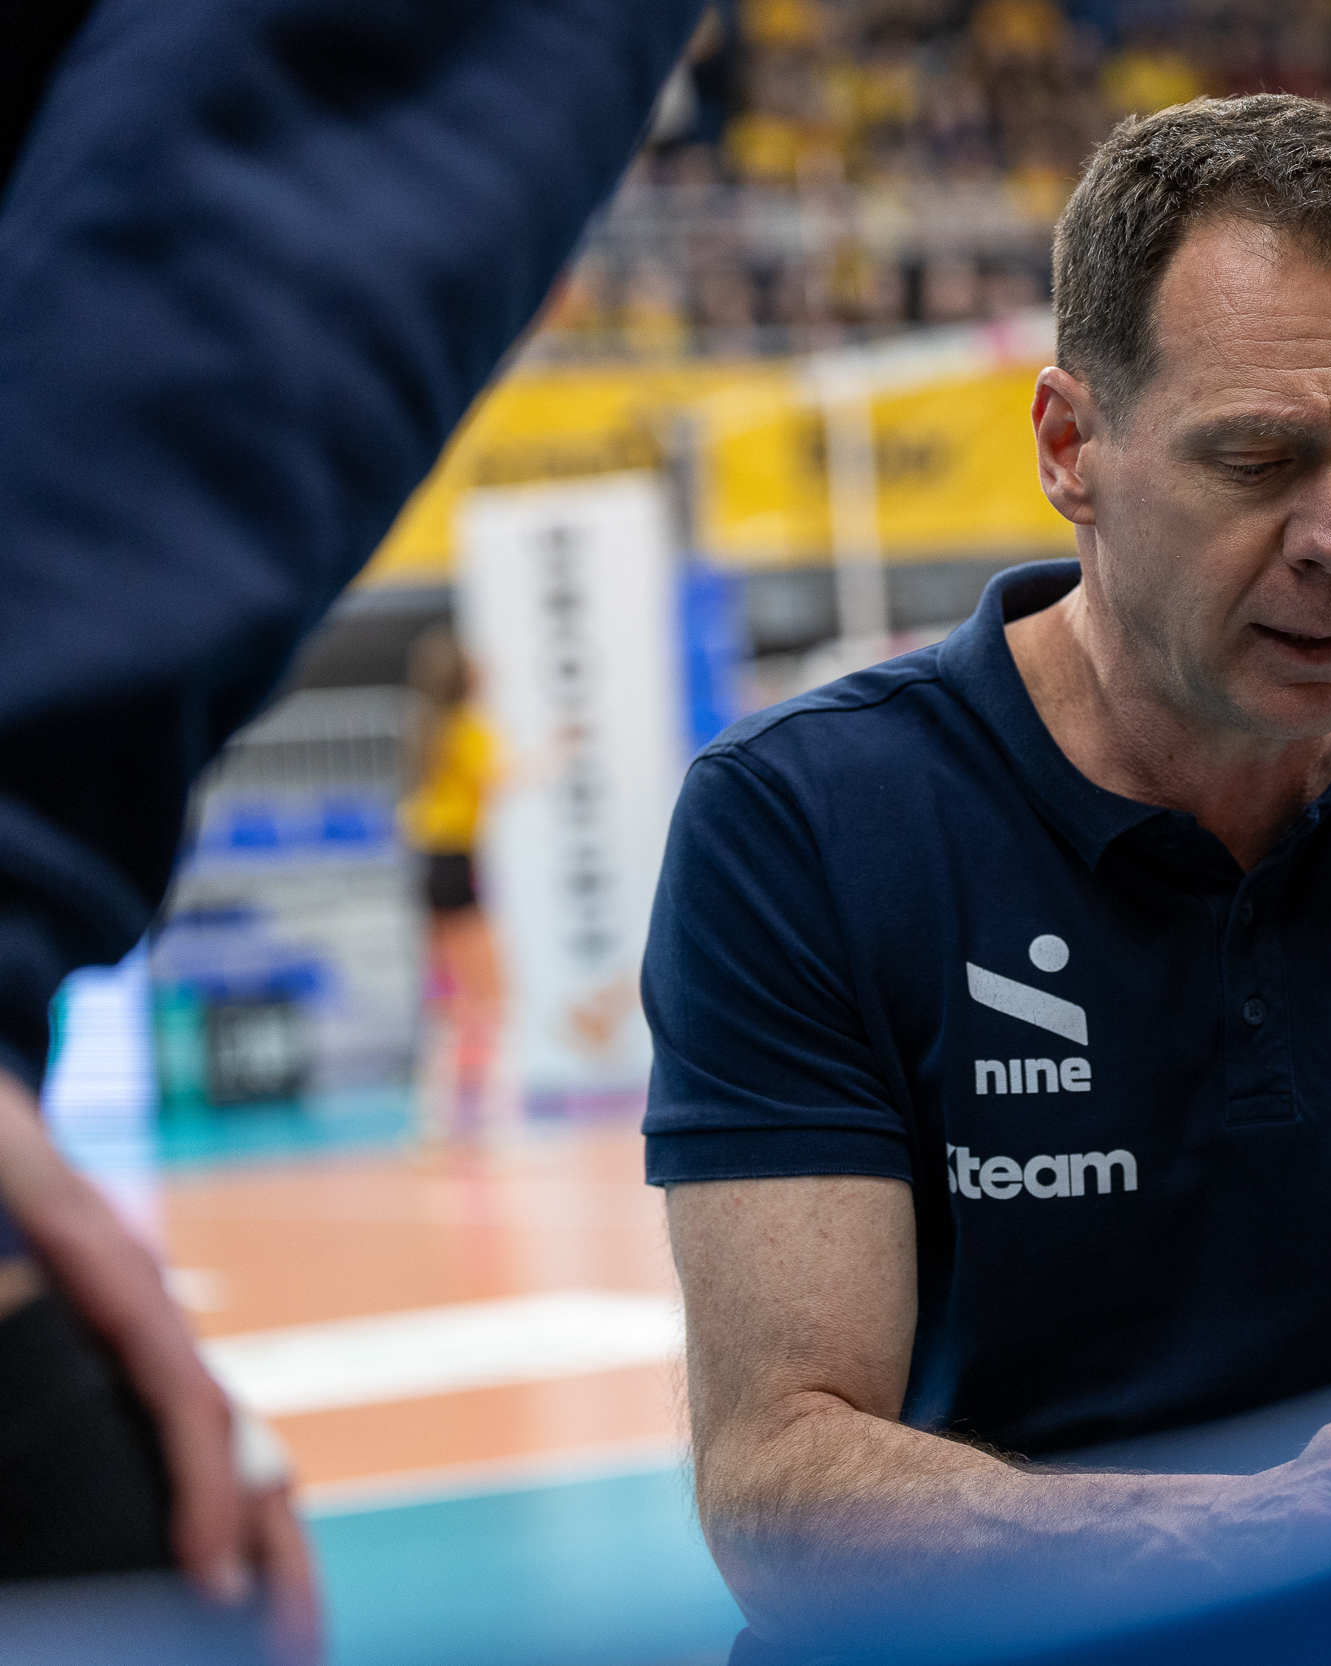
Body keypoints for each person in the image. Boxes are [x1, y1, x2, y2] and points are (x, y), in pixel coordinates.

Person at [644, 94, 1331, 1650]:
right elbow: (777, 1477)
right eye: (1257, 458)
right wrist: (1251, 1533)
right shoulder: (804, 824)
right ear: (1070, 447)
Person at [0, 0, 710, 1656]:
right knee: (470, 987)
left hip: (420, 842)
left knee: (467, 986)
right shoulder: (463, 734)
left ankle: (454, 1106)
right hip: (433, 847)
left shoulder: (454, 727)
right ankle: (455, 1108)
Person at [399, 628, 511, 1151]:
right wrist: (557, 752)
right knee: (490, 998)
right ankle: (491, 1124)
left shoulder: (426, 730)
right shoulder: (468, 729)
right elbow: (498, 780)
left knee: (447, 1000)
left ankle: (435, 1125)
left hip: (429, 864)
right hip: (457, 864)